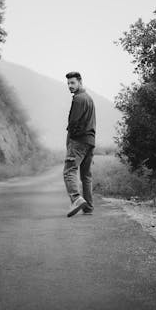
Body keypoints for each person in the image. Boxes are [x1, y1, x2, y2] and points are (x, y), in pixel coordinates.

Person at [63, 71, 96, 217]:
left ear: (80, 82)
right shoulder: (89, 98)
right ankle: (88, 207)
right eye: (68, 83)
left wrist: (71, 139)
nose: (70, 86)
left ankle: (76, 199)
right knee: (86, 176)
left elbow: (73, 122)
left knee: (69, 171)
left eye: (73, 83)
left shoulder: (78, 99)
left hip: (78, 142)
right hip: (90, 141)